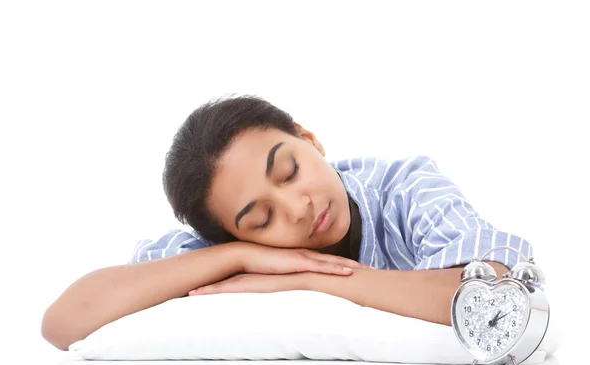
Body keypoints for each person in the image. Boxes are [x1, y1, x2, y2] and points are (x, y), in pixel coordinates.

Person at [41, 94, 534, 351]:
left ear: (310, 139)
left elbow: (493, 291)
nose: (297, 208)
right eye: (259, 219)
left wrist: (309, 279)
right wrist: (235, 258)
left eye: (290, 170)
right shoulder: (225, 252)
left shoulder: (405, 187)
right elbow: (63, 323)